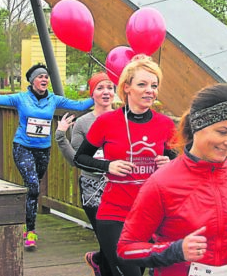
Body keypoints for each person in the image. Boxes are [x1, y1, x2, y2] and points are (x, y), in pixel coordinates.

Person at [117, 83, 227, 276]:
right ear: (198, 126)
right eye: (223, 132)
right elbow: (126, 249)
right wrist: (175, 251)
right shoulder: (162, 182)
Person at [74, 54, 177, 276]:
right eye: (143, 84)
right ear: (127, 88)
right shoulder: (106, 122)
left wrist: (169, 163)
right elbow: (80, 158)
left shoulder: (165, 125)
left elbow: (180, 164)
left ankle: (100, 264)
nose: (150, 90)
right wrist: (107, 166)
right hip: (114, 213)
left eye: (154, 85)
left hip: (150, 215)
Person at [0, 63, 94, 250]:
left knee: (33, 189)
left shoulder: (53, 100)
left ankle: (26, 218)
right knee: (33, 185)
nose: (45, 79)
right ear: (32, 81)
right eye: (40, 76)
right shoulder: (21, 98)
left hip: (43, 150)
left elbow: (79, 105)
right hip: (22, 146)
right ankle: (30, 231)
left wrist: (98, 96)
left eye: (46, 76)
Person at [55, 72, 115, 276]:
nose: (106, 92)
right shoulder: (83, 123)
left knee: (114, 240)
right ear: (93, 94)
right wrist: (61, 136)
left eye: (110, 88)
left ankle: (97, 260)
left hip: (119, 187)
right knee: (107, 239)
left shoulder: (124, 118)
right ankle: (101, 264)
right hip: (92, 188)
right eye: (100, 88)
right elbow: (76, 160)